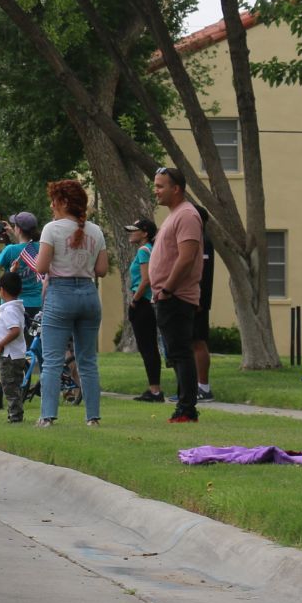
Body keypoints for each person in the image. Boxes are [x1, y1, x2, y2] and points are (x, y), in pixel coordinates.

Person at [30, 179, 110, 426]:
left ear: (63, 202)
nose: (51, 205)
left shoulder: (51, 229)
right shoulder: (95, 231)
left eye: (54, 200)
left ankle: (47, 416)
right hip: (88, 294)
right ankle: (93, 417)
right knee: (87, 361)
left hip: (60, 294)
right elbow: (102, 269)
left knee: (52, 360)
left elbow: (42, 266)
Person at [150, 168, 206, 423]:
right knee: (176, 352)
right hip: (167, 296)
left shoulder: (187, 215)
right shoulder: (175, 215)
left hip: (177, 296)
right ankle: (183, 404)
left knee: (181, 352)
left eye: (161, 186)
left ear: (177, 188)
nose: (156, 191)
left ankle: (186, 409)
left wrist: (168, 289)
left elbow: (186, 257)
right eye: (156, 186)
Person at [124, 218, 165, 401]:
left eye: (135, 230)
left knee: (147, 347)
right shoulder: (153, 249)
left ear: (145, 233)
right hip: (150, 303)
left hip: (143, 303)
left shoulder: (143, 250)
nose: (131, 233)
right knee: (150, 347)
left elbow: (145, 280)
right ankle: (154, 388)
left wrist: (134, 300)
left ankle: (155, 390)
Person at [0, 270, 32, 423]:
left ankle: (15, 416)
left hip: (9, 355)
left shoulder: (9, 310)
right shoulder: (14, 308)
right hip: (16, 354)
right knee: (13, 386)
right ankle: (14, 413)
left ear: (1, 290)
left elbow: (15, 330)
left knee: (9, 387)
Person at [193, 204, 216, 401]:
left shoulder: (203, 241)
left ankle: (204, 387)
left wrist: (199, 300)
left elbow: (204, 274)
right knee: (191, 343)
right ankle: (193, 386)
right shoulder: (196, 240)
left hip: (198, 300)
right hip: (192, 298)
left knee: (197, 342)